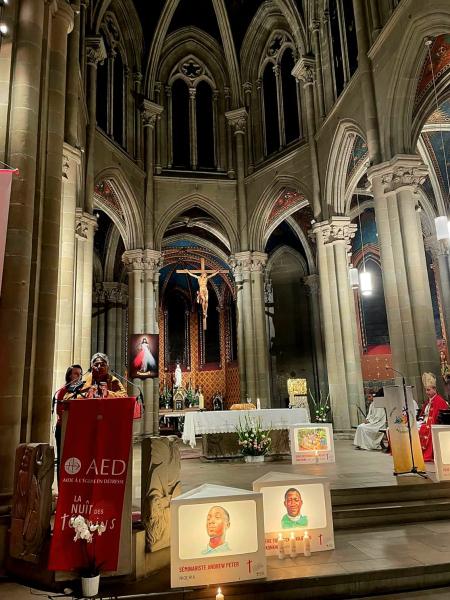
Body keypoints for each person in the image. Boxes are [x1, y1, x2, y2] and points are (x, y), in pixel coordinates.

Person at [53, 364, 82, 484]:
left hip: (76, 430)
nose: (79, 376)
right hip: (63, 428)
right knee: (62, 458)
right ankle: (61, 486)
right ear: (69, 375)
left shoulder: (82, 391)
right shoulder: (63, 391)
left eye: (80, 374)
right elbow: (59, 411)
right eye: (76, 373)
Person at [419, 372, 449, 462]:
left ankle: (423, 453)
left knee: (422, 429)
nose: (426, 392)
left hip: (435, 426)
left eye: (428, 390)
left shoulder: (439, 401)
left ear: (434, 389)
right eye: (426, 390)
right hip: (425, 422)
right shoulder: (428, 401)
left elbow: (438, 419)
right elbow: (424, 414)